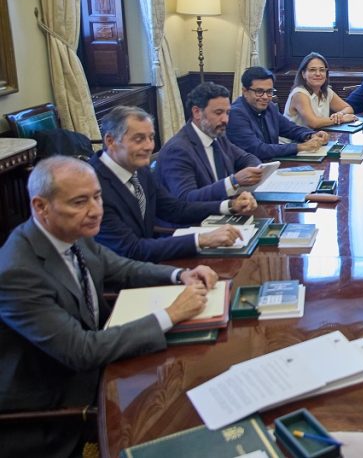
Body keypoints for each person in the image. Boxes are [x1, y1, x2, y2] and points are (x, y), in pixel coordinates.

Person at [0, 156, 218, 457]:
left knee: (196, 381)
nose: (95, 210)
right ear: (41, 207)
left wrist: (179, 275)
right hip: (59, 407)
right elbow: (81, 351)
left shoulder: (72, 234)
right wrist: (170, 314)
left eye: (98, 196)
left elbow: (122, 267)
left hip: (102, 365)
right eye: (80, 202)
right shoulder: (17, 272)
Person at [89, 106, 249, 262]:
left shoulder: (139, 170)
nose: (148, 146)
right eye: (139, 139)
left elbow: (175, 209)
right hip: (119, 277)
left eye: (151, 138)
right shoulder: (92, 186)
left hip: (149, 261)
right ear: (110, 141)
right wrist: (201, 239)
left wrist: (229, 206)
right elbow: (131, 249)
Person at [156, 82, 263, 203]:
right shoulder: (177, 150)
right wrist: (232, 182)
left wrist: (252, 173)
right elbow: (186, 199)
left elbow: (247, 158)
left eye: (227, 113)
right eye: (218, 113)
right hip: (194, 220)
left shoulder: (218, 136)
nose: (225, 120)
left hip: (223, 211)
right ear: (197, 112)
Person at [229, 65, 331, 160]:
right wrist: (300, 147)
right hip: (248, 172)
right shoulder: (235, 114)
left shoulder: (270, 107)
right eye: (259, 91)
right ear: (245, 91)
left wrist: (311, 135)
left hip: (270, 164)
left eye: (269, 91)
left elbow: (290, 129)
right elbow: (257, 149)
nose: (265, 97)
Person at [283, 53, 357, 129]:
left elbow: (349, 108)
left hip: (315, 137)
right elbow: (313, 123)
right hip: (293, 140)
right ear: (303, 74)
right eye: (312, 70)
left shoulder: (326, 91)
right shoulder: (299, 94)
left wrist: (340, 114)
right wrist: (341, 119)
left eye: (322, 70)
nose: (318, 74)